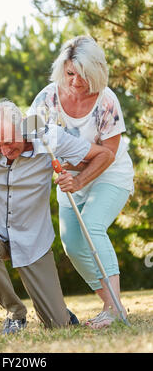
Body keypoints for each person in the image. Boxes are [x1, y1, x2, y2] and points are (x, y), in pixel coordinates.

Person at [0, 100, 114, 334]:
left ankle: (59, 311)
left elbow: (104, 155)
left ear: (22, 126)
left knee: (58, 326)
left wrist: (78, 181)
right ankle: (14, 312)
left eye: (9, 142)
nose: (5, 150)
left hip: (32, 235)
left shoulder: (49, 136)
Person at [29, 35, 134, 329]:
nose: (75, 82)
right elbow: (30, 138)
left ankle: (115, 310)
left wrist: (79, 178)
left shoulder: (106, 101)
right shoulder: (47, 98)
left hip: (109, 173)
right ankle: (111, 305)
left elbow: (109, 154)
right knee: (73, 244)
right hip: (70, 178)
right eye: (70, 73)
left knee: (92, 226)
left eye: (84, 75)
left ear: (96, 72)